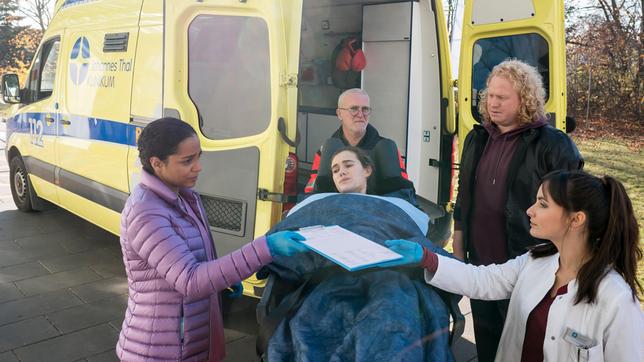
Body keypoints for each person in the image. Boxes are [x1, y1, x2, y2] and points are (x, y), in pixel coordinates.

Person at [385, 170, 644, 361]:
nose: (530, 210)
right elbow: (482, 281)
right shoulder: (535, 262)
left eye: (543, 204)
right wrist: (426, 257)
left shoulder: (617, 300)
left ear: (575, 219)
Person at [116, 117, 309, 362]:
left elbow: (197, 255)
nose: (198, 167)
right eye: (187, 161)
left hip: (187, 340)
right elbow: (190, 279)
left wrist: (221, 281)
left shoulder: (184, 196)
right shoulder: (146, 213)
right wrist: (265, 248)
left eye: (198, 157)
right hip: (159, 349)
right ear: (157, 164)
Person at [452, 59, 583, 360]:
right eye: (490, 96)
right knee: (487, 342)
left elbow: (574, 209)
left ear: (524, 99)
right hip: (480, 265)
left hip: (529, 266)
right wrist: (459, 246)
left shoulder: (553, 144)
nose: (493, 103)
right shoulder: (477, 137)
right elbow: (464, 196)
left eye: (502, 97)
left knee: (524, 346)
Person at [304, 88, 413, 199]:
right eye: (354, 109)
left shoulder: (387, 151)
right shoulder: (326, 151)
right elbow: (313, 192)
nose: (360, 114)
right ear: (339, 114)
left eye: (365, 109)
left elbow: (404, 192)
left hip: (379, 213)